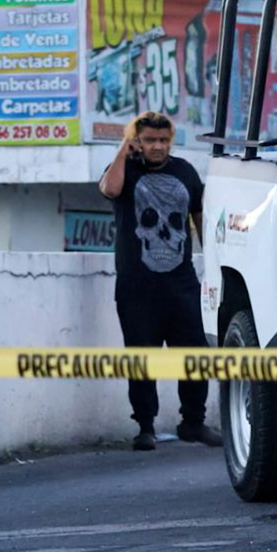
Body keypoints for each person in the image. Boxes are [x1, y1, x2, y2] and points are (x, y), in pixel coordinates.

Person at [99, 111, 222, 451]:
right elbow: (110, 189)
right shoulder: (125, 170)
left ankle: (193, 422)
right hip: (137, 284)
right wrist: (124, 150)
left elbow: (199, 217)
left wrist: (213, 265)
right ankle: (145, 427)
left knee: (195, 352)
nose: (157, 146)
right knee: (142, 357)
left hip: (181, 282)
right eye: (150, 140)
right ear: (137, 141)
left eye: (163, 140)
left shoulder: (185, 172)